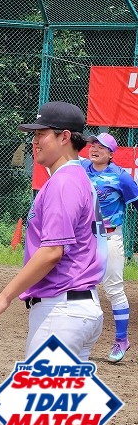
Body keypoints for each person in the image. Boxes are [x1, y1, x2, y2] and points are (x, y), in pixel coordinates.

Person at [0, 101, 107, 425]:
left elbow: (52, 252)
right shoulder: (77, 177)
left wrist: (4, 296)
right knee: (69, 423)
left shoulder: (64, 181)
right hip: (78, 309)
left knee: (45, 424)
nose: (35, 142)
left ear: (65, 137)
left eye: (42, 134)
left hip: (60, 312)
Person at [82, 131, 138, 363]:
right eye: (93, 144)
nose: (95, 148)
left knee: (114, 289)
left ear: (111, 154)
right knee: (81, 286)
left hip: (110, 238)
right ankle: (79, 339)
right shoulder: (81, 169)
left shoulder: (121, 177)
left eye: (101, 146)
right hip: (85, 238)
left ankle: (121, 340)